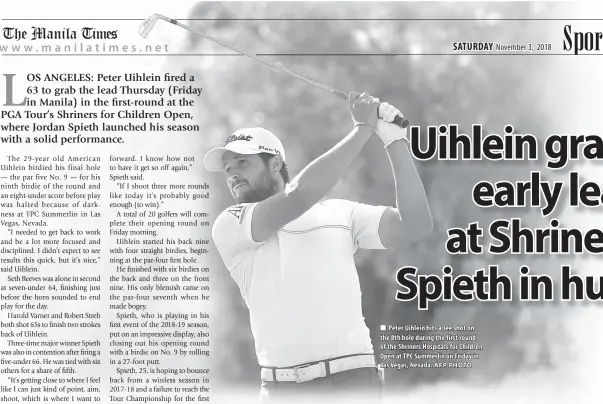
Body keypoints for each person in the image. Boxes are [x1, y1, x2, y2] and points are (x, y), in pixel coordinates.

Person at [204, 92, 432, 403]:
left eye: (242, 162)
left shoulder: (339, 213)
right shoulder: (230, 225)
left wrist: (394, 141)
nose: (232, 174)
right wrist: (362, 129)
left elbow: (415, 224)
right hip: (280, 389)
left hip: (352, 381)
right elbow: (301, 194)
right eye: (228, 169)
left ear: (276, 164)